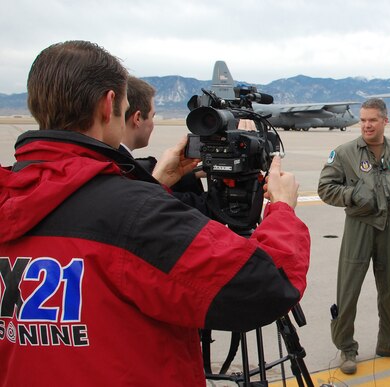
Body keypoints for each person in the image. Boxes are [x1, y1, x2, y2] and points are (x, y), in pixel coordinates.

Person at [0, 40, 310, 386]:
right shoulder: (133, 213)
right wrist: (282, 210)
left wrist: (153, 183)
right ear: (109, 105)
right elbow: (266, 285)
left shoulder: (11, 194)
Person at [317, 98, 390, 374]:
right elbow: (325, 188)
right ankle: (346, 348)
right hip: (358, 227)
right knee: (349, 288)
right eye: (363, 120)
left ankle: (389, 341)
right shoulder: (344, 153)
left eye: (372, 120)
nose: (366, 124)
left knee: (389, 285)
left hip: (389, 225)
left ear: (384, 121)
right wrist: (351, 195)